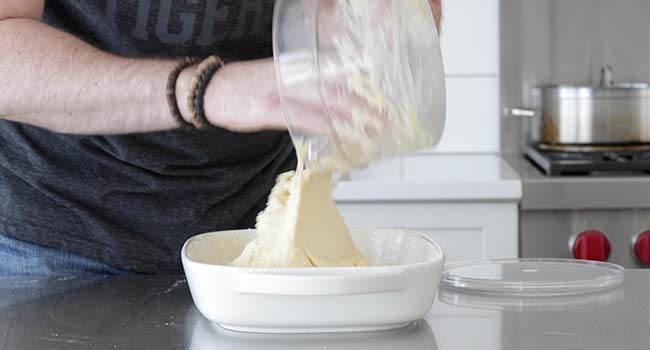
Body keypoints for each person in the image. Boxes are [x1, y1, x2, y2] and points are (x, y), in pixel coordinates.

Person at [0, 0, 442, 275]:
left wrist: (373, 27)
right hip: (52, 237)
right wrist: (208, 90)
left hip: (250, 239)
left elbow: (400, 33)